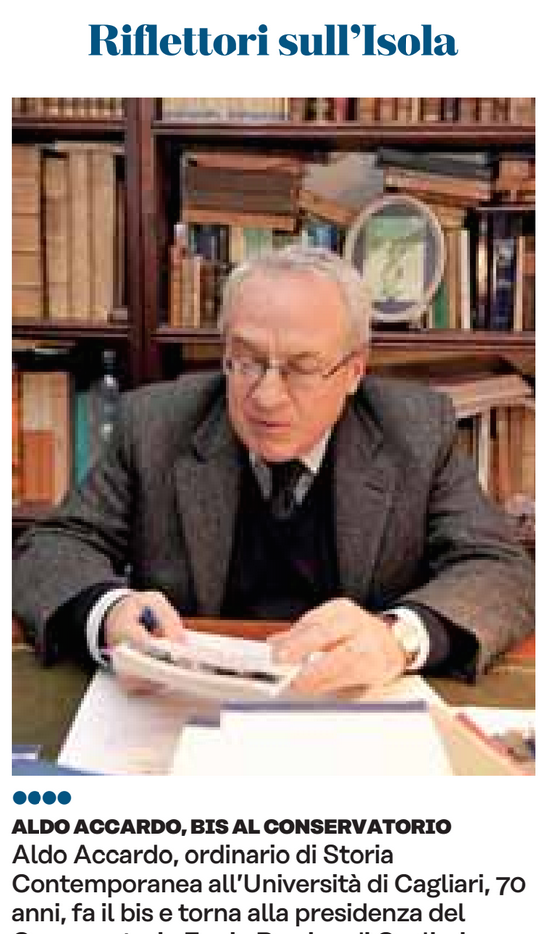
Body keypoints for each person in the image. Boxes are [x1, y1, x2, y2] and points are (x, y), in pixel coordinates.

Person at [12, 246, 534, 695]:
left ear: (353, 371)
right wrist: (107, 612)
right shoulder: (155, 424)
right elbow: (52, 548)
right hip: (187, 705)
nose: (266, 396)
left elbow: (502, 571)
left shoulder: (415, 431)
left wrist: (397, 637)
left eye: (302, 368)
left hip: (351, 709)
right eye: (246, 361)